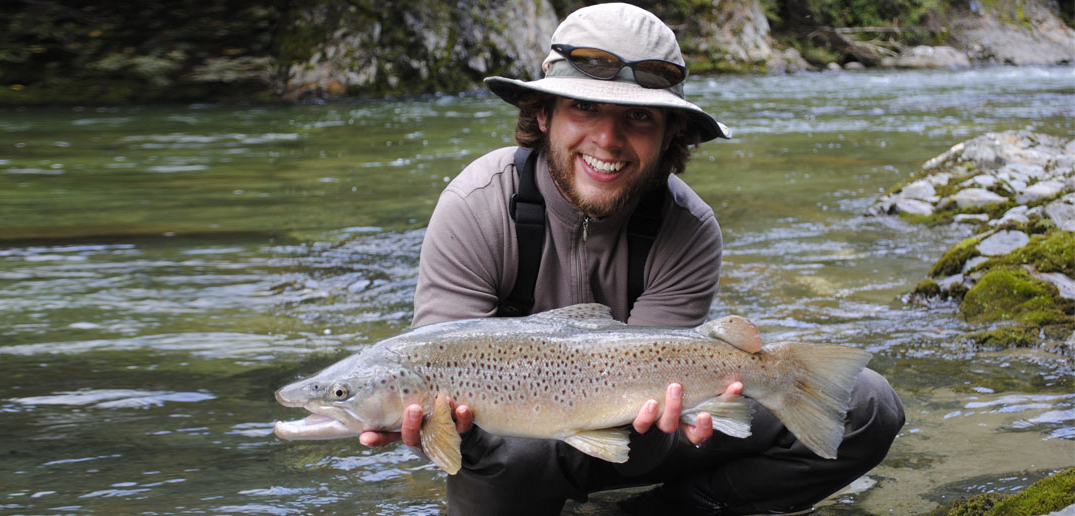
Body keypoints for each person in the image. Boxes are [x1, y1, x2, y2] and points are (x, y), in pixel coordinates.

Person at [361, 3, 905, 515]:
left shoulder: (688, 227)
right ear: (544, 114)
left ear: (671, 134)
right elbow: (430, 376)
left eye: (640, 116)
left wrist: (688, 412)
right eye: (584, 106)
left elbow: (652, 382)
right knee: (518, 446)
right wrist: (411, 422)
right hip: (510, 448)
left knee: (867, 406)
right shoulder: (476, 205)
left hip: (640, 426)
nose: (608, 138)